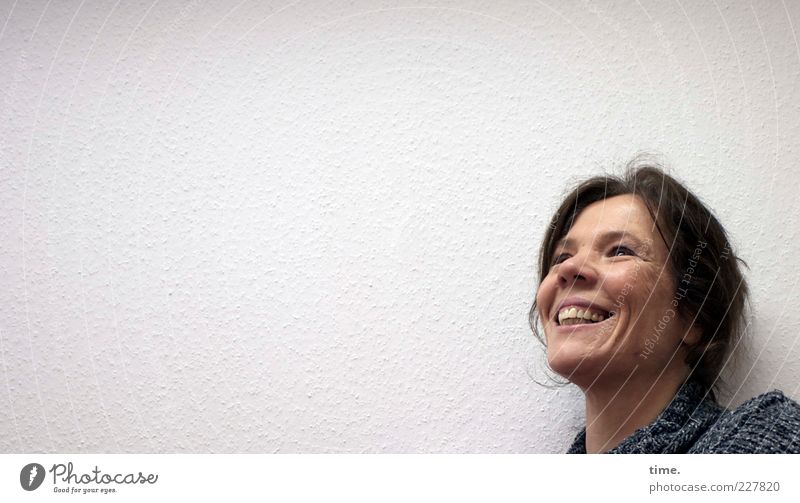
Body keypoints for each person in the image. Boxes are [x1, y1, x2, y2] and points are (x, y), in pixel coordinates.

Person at [528, 156, 800, 453]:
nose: (568, 270)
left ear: (694, 316)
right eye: (562, 257)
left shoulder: (768, 437)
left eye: (620, 250)